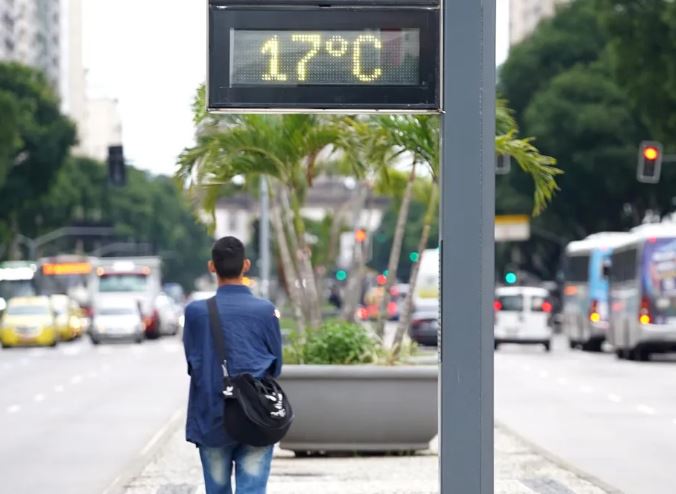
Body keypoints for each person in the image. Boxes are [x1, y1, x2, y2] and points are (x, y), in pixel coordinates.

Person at [183, 236, 283, 494]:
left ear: (212, 266)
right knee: (253, 489)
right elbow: (276, 366)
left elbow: (193, 364)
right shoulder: (265, 311)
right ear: (246, 265)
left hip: (213, 414)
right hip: (257, 416)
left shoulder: (196, 312)